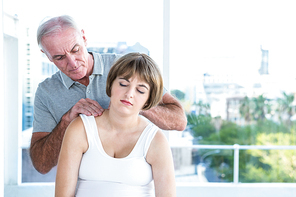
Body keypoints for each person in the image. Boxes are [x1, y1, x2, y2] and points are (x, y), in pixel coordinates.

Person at [30, 15, 187, 175]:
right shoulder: (46, 92)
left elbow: (179, 120)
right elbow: (41, 165)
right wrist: (66, 121)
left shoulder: (124, 67)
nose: (73, 63)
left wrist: (133, 103)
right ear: (46, 55)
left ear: (84, 38)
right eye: (59, 57)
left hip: (134, 177)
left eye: (75, 50)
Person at [55, 52, 176, 197]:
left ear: (148, 100)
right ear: (110, 84)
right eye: (123, 84)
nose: (129, 93)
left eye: (140, 90)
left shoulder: (156, 141)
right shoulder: (80, 129)